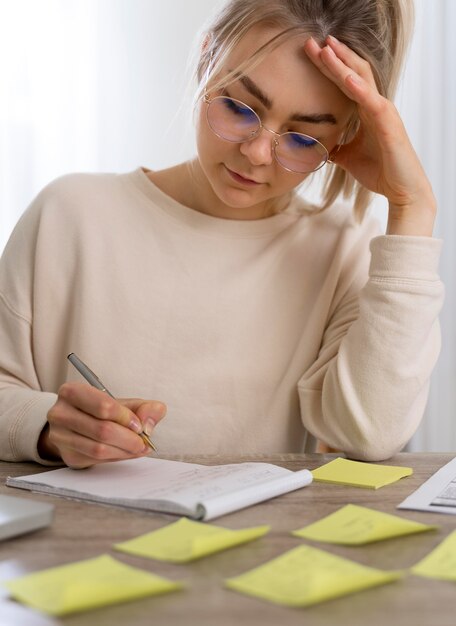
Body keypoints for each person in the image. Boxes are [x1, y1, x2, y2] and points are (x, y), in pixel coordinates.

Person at [0, 0, 443, 469]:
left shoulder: (344, 250)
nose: (255, 154)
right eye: (238, 107)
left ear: (344, 139)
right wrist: (48, 427)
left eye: (301, 138)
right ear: (205, 62)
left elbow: (370, 434)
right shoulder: (69, 214)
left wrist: (413, 208)